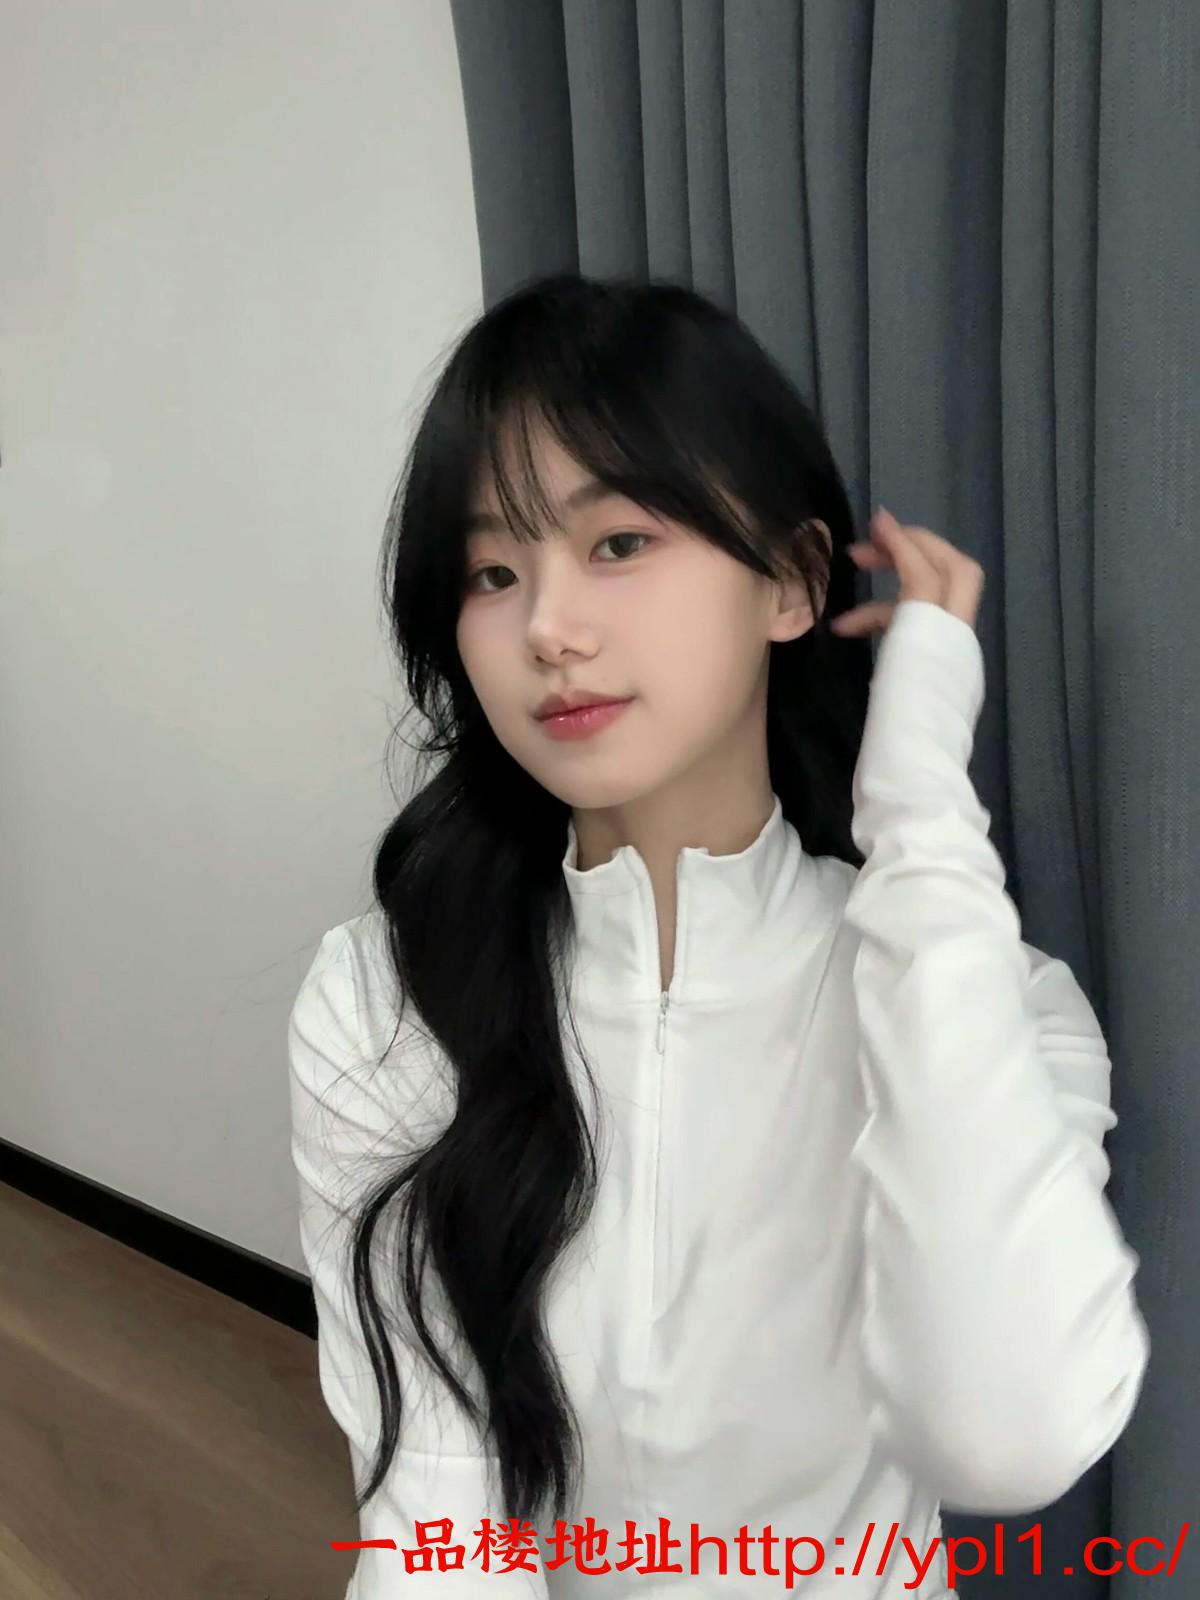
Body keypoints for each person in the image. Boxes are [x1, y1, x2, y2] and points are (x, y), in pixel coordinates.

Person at [286, 273, 1150, 1597]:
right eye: (493, 571)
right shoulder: (384, 996)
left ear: (791, 582)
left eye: (619, 542)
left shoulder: (993, 1003)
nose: (548, 629)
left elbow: (1007, 1433)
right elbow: (434, 1529)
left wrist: (920, 795)